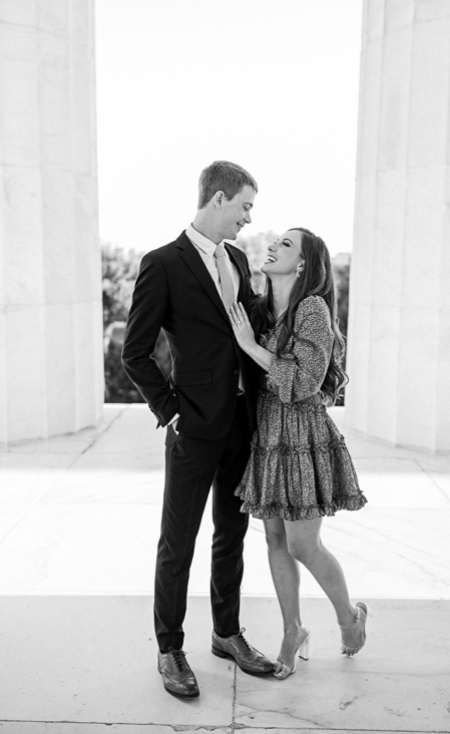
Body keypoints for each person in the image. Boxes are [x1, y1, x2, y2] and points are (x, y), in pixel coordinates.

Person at [122, 161, 275, 699]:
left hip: (241, 422)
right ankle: (169, 648)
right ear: (217, 199)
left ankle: (226, 634)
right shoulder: (162, 263)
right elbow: (135, 352)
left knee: (231, 535)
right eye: (244, 206)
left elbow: (251, 326)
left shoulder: (237, 257)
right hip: (193, 426)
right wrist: (172, 410)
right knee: (177, 542)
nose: (249, 219)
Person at [228, 227, 368, 680]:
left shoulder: (313, 309)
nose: (273, 246)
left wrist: (250, 346)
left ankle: (349, 616)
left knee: (303, 543)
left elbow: (305, 382)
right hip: (269, 431)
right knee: (272, 539)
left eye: (286, 245)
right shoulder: (266, 309)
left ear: (305, 263)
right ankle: (292, 630)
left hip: (303, 432)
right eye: (275, 242)